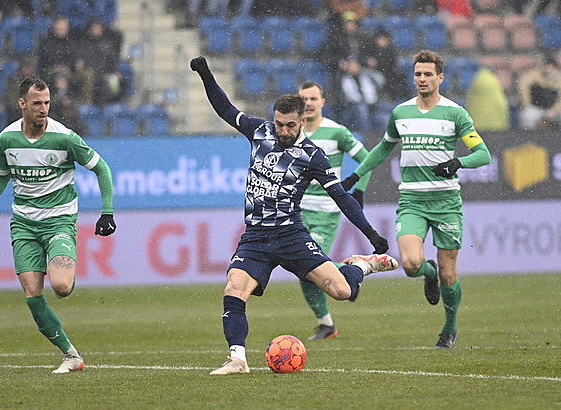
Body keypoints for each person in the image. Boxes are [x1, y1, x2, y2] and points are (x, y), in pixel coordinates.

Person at [190, 56, 398, 375]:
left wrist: (370, 235)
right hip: (256, 238)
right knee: (234, 289)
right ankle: (237, 359)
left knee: (342, 291)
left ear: (302, 120)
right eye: (279, 123)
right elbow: (225, 109)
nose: (283, 130)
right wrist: (206, 74)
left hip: (291, 236)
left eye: (290, 125)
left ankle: (361, 265)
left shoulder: (313, 155)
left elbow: (341, 196)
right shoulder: (259, 131)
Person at [341, 50, 491, 349]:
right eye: (418, 74)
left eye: (427, 74)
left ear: (440, 77)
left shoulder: (455, 113)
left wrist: (457, 163)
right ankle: (428, 272)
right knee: (410, 263)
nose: (422, 79)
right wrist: (355, 175)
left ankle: (449, 328)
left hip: (446, 203)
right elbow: (384, 148)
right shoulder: (401, 113)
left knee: (450, 274)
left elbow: (483, 154)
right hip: (412, 201)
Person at [0, 76, 116, 373]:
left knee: (60, 286)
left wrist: (107, 212)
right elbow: (2, 175)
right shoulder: (7, 139)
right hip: (23, 224)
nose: (43, 109)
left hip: (59, 220)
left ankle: (64, 257)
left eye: (47, 102)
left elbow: (101, 168)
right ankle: (71, 355)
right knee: (33, 295)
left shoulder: (65, 138)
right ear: (22, 104)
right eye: (37, 103)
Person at [297, 80, 372, 340]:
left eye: (313, 99)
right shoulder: (292, 132)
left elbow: (367, 159)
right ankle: (326, 324)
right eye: (304, 99)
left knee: (308, 265)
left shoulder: (337, 132)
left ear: (322, 102)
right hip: (296, 213)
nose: (308, 103)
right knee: (303, 271)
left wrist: (359, 190)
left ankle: (356, 269)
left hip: (326, 212)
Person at [517, 55, 561, 130]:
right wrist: (527, 105)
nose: (548, 69)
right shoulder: (536, 75)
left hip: (553, 110)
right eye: (546, 66)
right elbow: (523, 85)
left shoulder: (559, 79)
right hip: (536, 108)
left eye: (550, 66)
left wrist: (554, 110)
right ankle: (529, 138)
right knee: (527, 116)